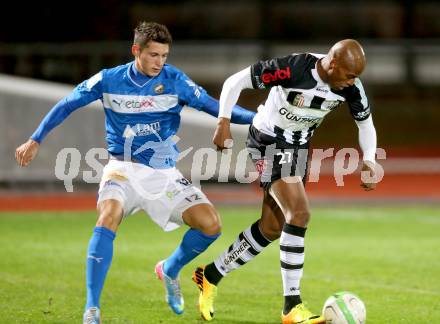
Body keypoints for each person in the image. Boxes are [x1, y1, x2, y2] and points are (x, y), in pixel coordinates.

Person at [14, 21, 255, 324]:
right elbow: (67, 104)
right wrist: (35, 139)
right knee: (107, 217)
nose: (160, 62)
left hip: (163, 174)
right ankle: (92, 309)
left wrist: (259, 119)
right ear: (136, 51)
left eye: (164, 55)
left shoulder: (175, 81)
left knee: (210, 225)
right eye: (154, 55)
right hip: (123, 170)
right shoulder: (108, 80)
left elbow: (215, 107)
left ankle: (169, 269)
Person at [192, 39, 378, 324]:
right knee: (299, 213)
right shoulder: (293, 68)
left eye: (356, 77)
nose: (352, 82)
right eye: (349, 75)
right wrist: (223, 121)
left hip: (298, 148)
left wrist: (369, 158)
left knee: (272, 228)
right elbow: (235, 81)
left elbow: (365, 123)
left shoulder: (352, 88)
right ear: (332, 64)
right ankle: (292, 305)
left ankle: (211, 274)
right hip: (267, 140)